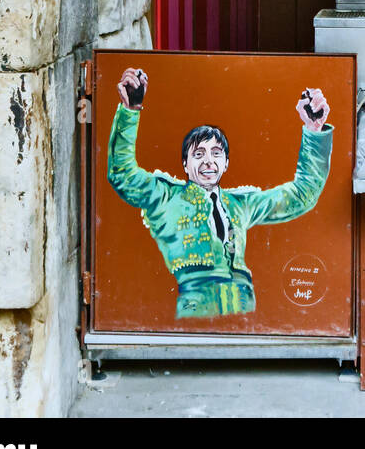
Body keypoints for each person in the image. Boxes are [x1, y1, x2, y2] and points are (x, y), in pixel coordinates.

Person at [106, 67, 334, 318]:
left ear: (226, 163)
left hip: (244, 309)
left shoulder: (240, 204)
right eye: (198, 154)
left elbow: (302, 195)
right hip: (195, 314)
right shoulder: (165, 197)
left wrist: (314, 129)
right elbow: (122, 175)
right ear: (185, 164)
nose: (208, 162)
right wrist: (130, 110)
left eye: (216, 154)